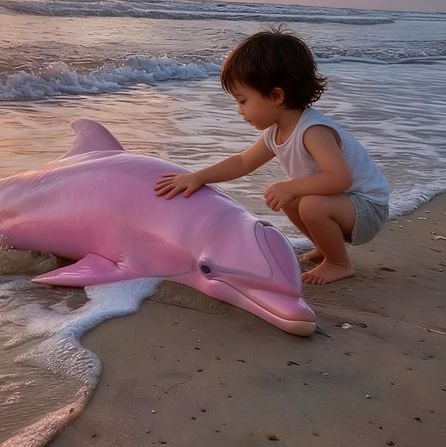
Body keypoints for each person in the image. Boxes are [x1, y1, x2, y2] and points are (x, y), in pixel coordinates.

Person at [154, 27, 390, 285]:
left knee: (308, 203)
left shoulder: (313, 131)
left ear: (276, 96)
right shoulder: (275, 131)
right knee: (293, 200)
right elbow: (243, 162)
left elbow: (340, 178)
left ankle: (338, 263)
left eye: (243, 100)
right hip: (344, 204)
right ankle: (325, 247)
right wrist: (198, 176)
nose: (240, 111)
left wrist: (291, 186)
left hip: (368, 208)